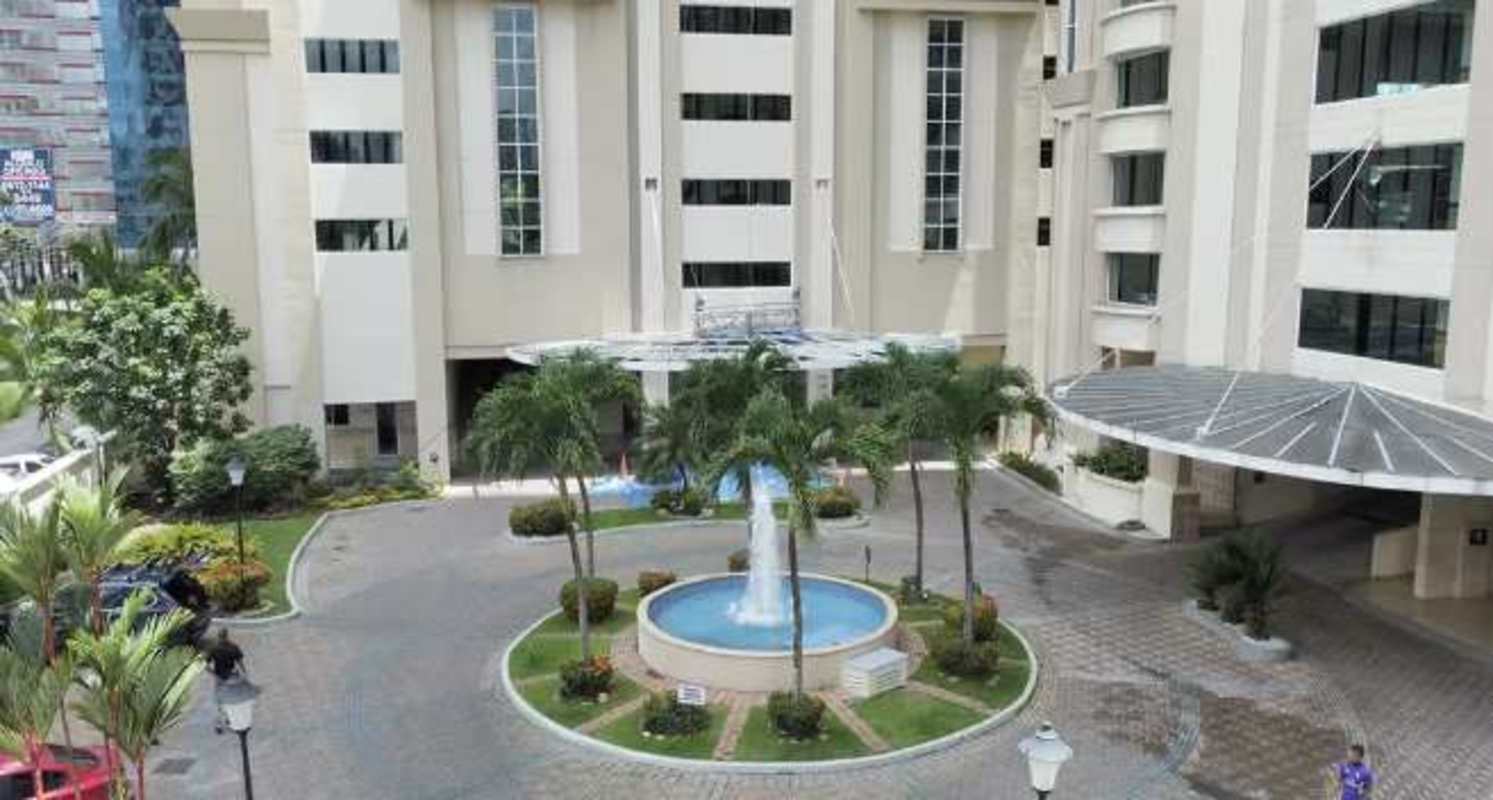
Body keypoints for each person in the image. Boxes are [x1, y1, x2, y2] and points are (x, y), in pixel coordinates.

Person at [206, 629, 248, 734]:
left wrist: (213, 674)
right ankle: (231, 721)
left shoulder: (213, 648)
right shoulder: (233, 647)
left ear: (219, 636)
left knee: (219, 702)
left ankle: (219, 725)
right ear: (227, 636)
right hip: (232, 676)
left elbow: (205, 665)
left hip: (220, 678)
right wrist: (244, 674)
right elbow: (240, 662)